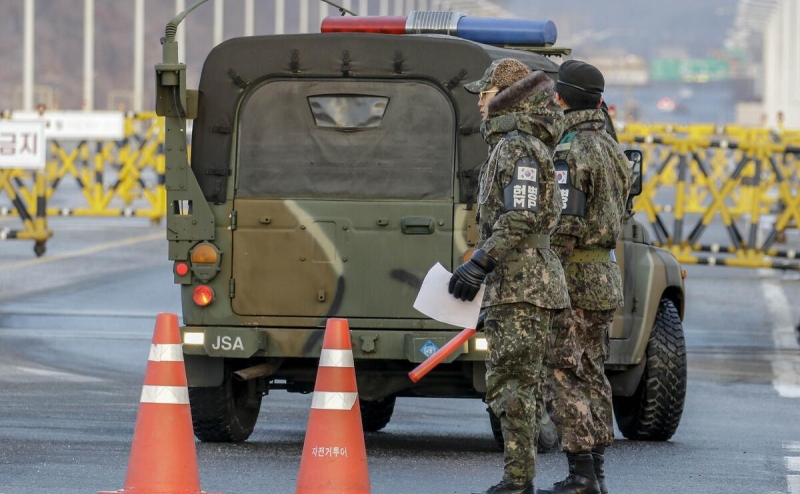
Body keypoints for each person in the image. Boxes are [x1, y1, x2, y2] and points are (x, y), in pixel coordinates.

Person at [449, 58, 570, 494]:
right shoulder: (516, 144)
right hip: (522, 283)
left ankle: (518, 481)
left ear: (503, 97)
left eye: (483, 95)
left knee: (513, 383)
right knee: (521, 382)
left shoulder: (517, 146)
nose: (478, 104)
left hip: (523, 286)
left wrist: (480, 261)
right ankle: (521, 477)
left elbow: (520, 215)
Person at [538, 60, 631, 494]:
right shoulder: (612, 147)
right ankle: (596, 469)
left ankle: (581, 473)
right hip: (606, 274)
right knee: (593, 369)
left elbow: (565, 224)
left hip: (574, 276)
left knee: (563, 371)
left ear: (560, 98)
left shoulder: (569, 150)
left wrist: (547, 274)